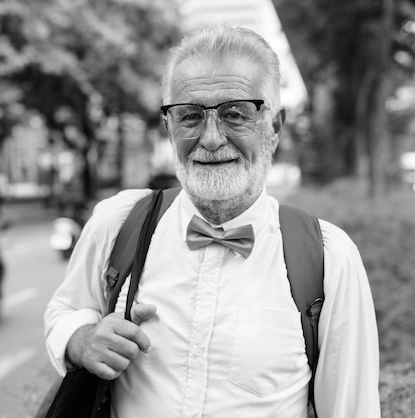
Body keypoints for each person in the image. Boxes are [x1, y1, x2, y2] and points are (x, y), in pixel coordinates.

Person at [44, 25, 380, 418]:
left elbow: (352, 410)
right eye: (189, 116)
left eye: (235, 114)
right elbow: (66, 309)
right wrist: (81, 339)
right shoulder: (119, 222)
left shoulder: (328, 258)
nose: (211, 139)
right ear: (168, 126)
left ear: (274, 126)